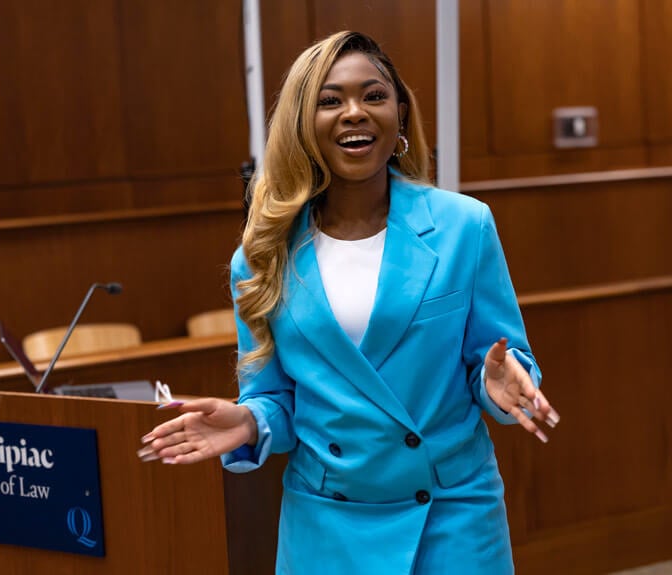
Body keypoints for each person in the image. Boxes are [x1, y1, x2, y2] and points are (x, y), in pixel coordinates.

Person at [139, 30, 560, 574]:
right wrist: (249, 421)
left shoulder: (464, 226)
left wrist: (495, 382)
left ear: (400, 116)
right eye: (330, 100)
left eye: (374, 96)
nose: (355, 112)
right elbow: (276, 398)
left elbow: (501, 360)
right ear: (301, 125)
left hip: (450, 518)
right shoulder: (263, 254)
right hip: (327, 528)